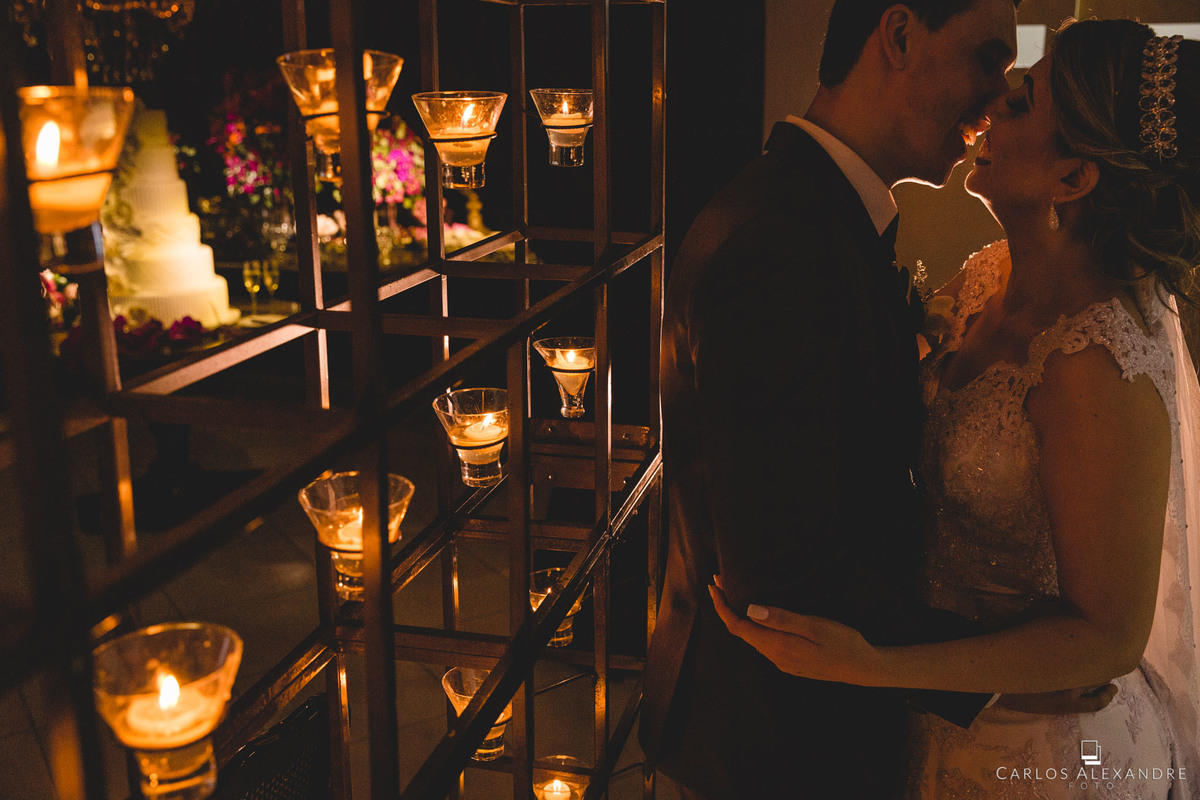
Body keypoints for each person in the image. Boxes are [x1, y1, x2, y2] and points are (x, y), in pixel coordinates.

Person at [711, 18, 1200, 799]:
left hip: (1036, 744)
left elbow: (1109, 634)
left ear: (1073, 179)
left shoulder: (1095, 367)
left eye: (1025, 94)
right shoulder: (982, 278)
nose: (999, 94)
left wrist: (882, 665)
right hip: (940, 710)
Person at [639, 2, 1025, 798]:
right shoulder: (785, 241)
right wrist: (1016, 675)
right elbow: (787, 578)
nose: (996, 93)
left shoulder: (812, 213)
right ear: (900, 35)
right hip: (778, 745)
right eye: (987, 58)